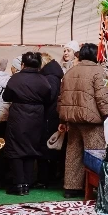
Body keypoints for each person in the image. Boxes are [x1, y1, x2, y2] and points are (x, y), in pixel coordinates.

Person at [58, 43, 108, 198]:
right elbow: (102, 98)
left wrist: (62, 119)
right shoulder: (98, 71)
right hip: (92, 120)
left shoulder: (70, 71)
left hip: (72, 119)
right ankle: (97, 186)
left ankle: (71, 188)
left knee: (73, 153)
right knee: (95, 153)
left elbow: (61, 97)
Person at [2, 51, 57, 195]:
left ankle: (18, 184)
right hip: (37, 117)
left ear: (22, 64)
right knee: (31, 149)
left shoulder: (15, 79)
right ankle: (27, 183)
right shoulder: (43, 80)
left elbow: (6, 96)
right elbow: (48, 98)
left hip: (18, 116)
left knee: (15, 149)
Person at [39, 55, 65, 187]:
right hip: (52, 114)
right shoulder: (53, 75)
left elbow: (50, 96)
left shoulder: (50, 77)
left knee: (48, 145)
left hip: (49, 115)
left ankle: (46, 179)